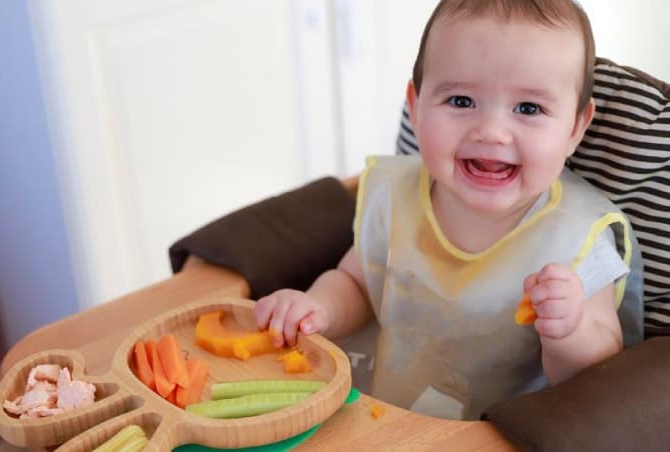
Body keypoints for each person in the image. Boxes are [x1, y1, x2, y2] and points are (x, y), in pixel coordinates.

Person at [254, 0, 644, 420]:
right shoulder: (396, 197)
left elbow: (601, 370)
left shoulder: (580, 239)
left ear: (574, 128)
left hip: (501, 434)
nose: (492, 132)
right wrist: (319, 309)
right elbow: (358, 282)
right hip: (386, 413)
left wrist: (572, 330)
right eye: (461, 101)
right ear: (416, 107)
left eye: (528, 109)